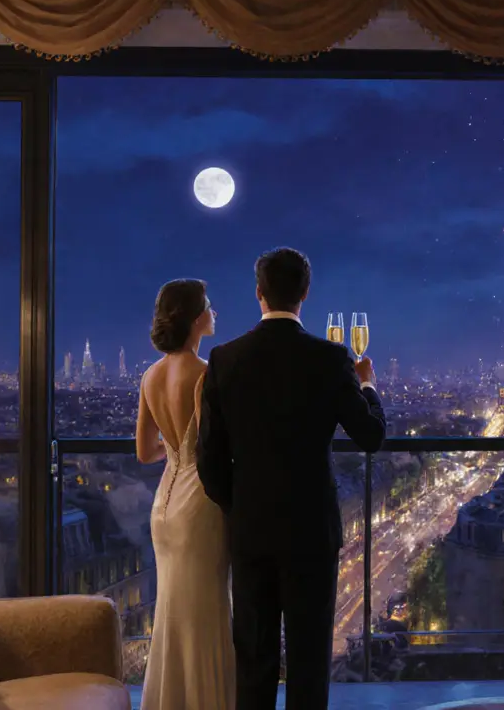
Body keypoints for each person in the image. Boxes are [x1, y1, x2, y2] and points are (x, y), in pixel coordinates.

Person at [198, 247, 386, 709]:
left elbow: (209, 461)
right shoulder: (330, 358)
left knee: (256, 658)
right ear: (305, 294)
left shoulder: (225, 359)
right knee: (309, 659)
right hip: (311, 530)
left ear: (258, 293)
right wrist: (368, 385)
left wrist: (239, 505)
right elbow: (370, 436)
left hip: (252, 529)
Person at [136, 279, 234, 710]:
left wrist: (175, 451)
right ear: (196, 319)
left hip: (164, 504)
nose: (214, 313)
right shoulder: (205, 374)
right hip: (200, 505)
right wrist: (191, 452)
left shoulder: (150, 376)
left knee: (171, 614)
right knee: (207, 615)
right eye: (209, 307)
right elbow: (222, 446)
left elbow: (144, 452)